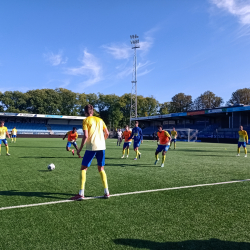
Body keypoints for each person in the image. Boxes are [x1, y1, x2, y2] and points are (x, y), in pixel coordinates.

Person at [70, 104, 110, 201]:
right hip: (102, 147)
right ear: (92, 111)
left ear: (85, 112)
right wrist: (102, 141)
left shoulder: (86, 120)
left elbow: (86, 136)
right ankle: (106, 192)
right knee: (101, 168)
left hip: (91, 147)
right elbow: (107, 133)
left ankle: (81, 193)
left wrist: (79, 149)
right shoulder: (100, 120)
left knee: (84, 168)